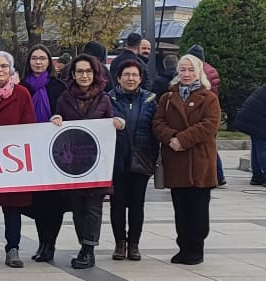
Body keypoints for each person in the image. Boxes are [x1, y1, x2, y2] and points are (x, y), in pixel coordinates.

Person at [48, 53, 114, 269]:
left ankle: (88, 249)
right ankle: (83, 245)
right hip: (72, 164)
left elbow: (110, 127)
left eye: (87, 71)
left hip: (96, 163)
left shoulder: (104, 99)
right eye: (79, 71)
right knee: (77, 208)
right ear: (73, 74)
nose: (84, 75)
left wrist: (116, 124)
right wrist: (56, 119)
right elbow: (58, 122)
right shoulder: (64, 99)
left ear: (95, 74)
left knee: (94, 207)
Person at [154, 53, 222, 265]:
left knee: (198, 207)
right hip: (176, 160)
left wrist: (183, 139)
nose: (186, 74)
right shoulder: (167, 98)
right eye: (182, 70)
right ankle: (183, 246)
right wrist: (171, 138)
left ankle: (196, 246)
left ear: (198, 72)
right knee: (180, 207)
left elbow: (209, 125)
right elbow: (157, 123)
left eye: (190, 70)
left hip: (199, 160)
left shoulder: (208, 97)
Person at [0, 51, 35, 268]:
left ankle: (13, 248)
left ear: (10, 70)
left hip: (13, 161)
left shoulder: (21, 94)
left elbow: (29, 122)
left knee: (13, 207)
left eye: (3, 66)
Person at [19, 45, 66, 263]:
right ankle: (42, 241)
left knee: (53, 201)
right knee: (35, 203)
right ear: (29, 62)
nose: (38, 62)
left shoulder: (58, 87)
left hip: (54, 152)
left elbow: (66, 112)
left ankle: (50, 244)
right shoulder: (22, 88)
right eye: (34, 58)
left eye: (42, 58)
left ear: (49, 62)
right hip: (30, 152)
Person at [108, 57, 157, 261]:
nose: (130, 78)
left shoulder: (151, 100)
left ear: (140, 78)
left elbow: (156, 127)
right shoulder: (109, 99)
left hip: (141, 158)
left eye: (134, 75)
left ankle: (134, 244)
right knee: (117, 203)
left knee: (137, 204)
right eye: (126, 74)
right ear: (118, 78)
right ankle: (120, 243)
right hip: (116, 159)